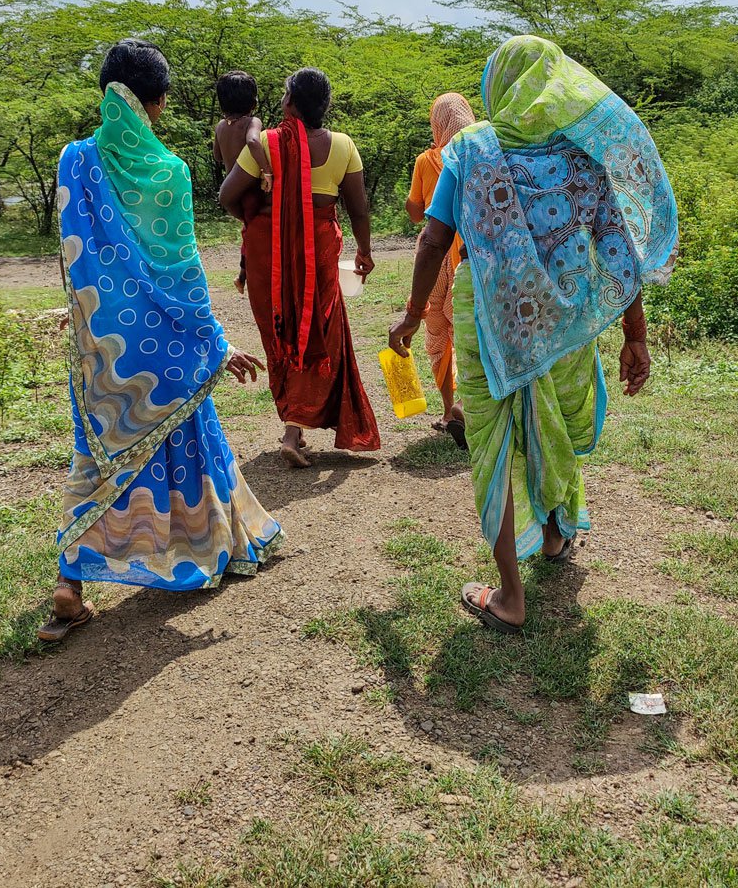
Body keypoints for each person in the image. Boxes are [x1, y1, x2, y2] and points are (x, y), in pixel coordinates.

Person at [388, 35, 678, 635]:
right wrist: (635, 335)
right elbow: (619, 251)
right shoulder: (581, 157)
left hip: (487, 321)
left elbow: (433, 240)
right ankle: (552, 535)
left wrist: (414, 317)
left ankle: (510, 596)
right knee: (553, 425)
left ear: (499, 87)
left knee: (493, 442)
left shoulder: (469, 150)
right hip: (564, 327)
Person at [41, 39, 282, 642]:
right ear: (158, 103)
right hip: (167, 346)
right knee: (188, 437)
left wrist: (87, 320)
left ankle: (69, 583)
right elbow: (183, 275)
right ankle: (200, 546)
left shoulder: (74, 160)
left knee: (98, 453)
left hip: (102, 342)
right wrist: (216, 342)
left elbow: (72, 257)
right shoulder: (169, 173)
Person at [218, 67, 381, 468]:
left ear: (290, 101)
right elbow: (358, 209)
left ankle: (293, 425)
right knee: (316, 330)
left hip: (268, 250)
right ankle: (295, 427)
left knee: (281, 327)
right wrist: (364, 250)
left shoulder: (269, 143)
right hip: (319, 250)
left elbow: (227, 195)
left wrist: (258, 219)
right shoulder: (343, 145)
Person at [406, 92, 475, 447]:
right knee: (468, 333)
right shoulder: (479, 154)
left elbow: (417, 213)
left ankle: (449, 410)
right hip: (468, 256)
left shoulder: (426, 160)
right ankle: (470, 404)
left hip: (434, 258)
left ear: (436, 124)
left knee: (438, 333)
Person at [212, 70, 273, 295]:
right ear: (253, 101)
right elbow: (254, 141)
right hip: (250, 189)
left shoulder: (220, 126)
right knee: (253, 230)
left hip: (231, 189)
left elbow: (217, 155)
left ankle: (244, 275)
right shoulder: (251, 122)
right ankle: (245, 276)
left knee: (248, 229)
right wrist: (267, 170)